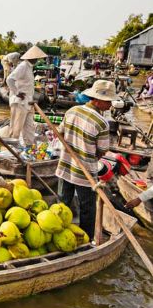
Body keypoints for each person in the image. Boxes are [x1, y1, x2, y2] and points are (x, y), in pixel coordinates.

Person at [56, 80, 117, 239]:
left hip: (66, 165)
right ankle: (86, 239)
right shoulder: (102, 123)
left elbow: (60, 133)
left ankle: (58, 232)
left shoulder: (72, 110)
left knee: (62, 203)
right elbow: (102, 151)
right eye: (108, 101)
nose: (111, 105)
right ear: (97, 100)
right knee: (87, 208)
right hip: (85, 173)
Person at [7, 45, 44, 145]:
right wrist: (17, 93)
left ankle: (30, 148)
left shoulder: (30, 68)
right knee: (15, 129)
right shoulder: (23, 66)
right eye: (35, 58)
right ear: (31, 58)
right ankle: (11, 151)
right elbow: (9, 79)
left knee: (29, 129)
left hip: (28, 102)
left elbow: (27, 85)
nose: (37, 60)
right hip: (19, 102)